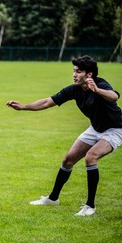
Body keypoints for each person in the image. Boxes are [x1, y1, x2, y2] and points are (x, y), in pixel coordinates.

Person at [6, 55, 122, 216]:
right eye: (74, 71)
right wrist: (23, 106)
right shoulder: (74, 89)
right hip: (95, 128)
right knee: (68, 160)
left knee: (91, 157)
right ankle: (53, 199)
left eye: (78, 71)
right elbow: (48, 102)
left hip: (115, 129)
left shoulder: (100, 84)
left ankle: (90, 206)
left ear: (89, 74)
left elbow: (114, 96)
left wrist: (97, 90)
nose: (74, 74)